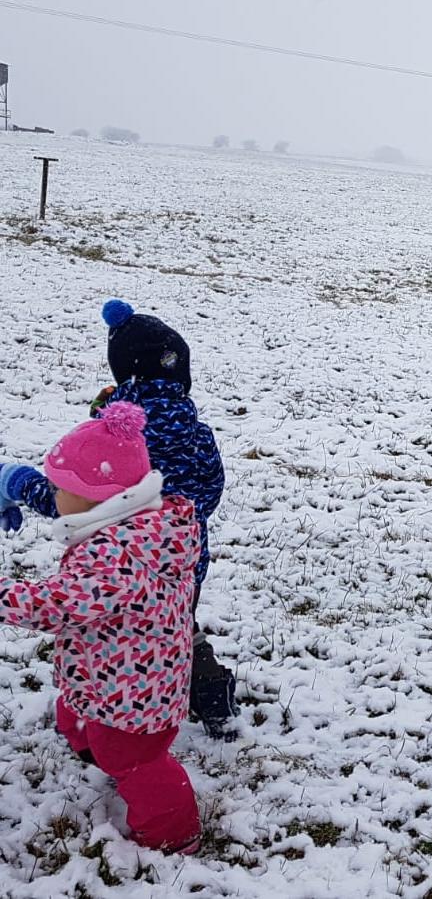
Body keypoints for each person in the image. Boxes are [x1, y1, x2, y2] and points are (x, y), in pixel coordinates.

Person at [0, 299, 237, 738]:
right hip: (180, 559)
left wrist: (18, 483)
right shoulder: (198, 433)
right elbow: (209, 490)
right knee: (176, 626)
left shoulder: (113, 440)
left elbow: (70, 501)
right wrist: (182, 521)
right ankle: (209, 691)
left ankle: (119, 720)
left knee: (123, 639)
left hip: (114, 566)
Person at [0, 402, 202, 853]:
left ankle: (174, 830)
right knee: (81, 716)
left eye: (59, 490)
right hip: (123, 671)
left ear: (96, 496)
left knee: (134, 759)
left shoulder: (115, 552)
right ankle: (96, 749)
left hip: (134, 692)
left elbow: (58, 604)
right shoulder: (144, 527)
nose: (52, 499)